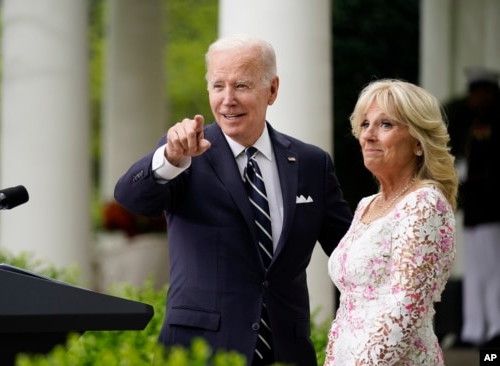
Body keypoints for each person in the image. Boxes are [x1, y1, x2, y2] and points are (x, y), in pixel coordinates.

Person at [114, 34, 353, 366]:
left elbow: (352, 254)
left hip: (286, 351)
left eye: (241, 85)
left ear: (272, 89)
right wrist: (168, 158)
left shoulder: (312, 163)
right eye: (217, 86)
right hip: (199, 351)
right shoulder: (184, 155)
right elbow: (131, 198)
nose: (228, 100)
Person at [324, 79, 459, 365]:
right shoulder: (365, 205)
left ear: (419, 142)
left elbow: (406, 308)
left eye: (385, 124)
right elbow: (347, 307)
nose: (369, 135)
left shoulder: (425, 203)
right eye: (364, 124)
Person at [447, 67, 500, 349]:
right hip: (475, 211)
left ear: (489, 92)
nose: (473, 98)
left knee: (493, 271)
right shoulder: (474, 123)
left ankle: (496, 327)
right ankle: (474, 329)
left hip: (493, 210)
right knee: (476, 271)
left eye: (478, 92)